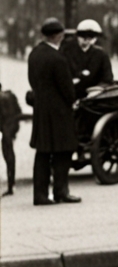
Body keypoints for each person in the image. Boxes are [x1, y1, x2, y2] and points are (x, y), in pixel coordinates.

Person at [28, 19, 80, 205]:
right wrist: (72, 101)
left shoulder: (34, 54)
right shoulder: (58, 59)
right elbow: (67, 88)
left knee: (42, 152)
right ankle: (61, 191)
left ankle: (40, 194)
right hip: (59, 111)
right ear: (58, 36)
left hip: (41, 109)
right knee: (63, 151)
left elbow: (33, 81)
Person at [65, 19, 114, 100]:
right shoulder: (66, 53)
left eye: (90, 38)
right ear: (77, 37)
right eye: (83, 37)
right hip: (70, 96)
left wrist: (97, 90)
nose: (86, 40)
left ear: (95, 39)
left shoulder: (101, 55)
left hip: (94, 98)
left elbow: (107, 79)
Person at [1, 80, 20, 196]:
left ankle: (10, 185)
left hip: (6, 129)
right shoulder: (10, 95)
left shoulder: (2, 99)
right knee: (10, 156)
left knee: (7, 155)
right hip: (11, 127)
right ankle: (11, 183)